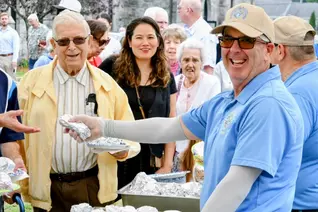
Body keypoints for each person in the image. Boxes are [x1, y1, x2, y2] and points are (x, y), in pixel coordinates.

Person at [67, 3, 305, 212]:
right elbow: (169, 128)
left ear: (270, 50)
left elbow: (236, 186)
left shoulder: (268, 104)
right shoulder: (228, 100)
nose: (234, 49)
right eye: (227, 39)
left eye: (246, 40)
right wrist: (103, 126)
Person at [17, 10, 140, 212]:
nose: (72, 47)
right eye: (63, 41)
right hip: (47, 188)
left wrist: (121, 150)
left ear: (89, 41)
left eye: (79, 40)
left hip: (92, 186)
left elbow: (130, 133)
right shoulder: (30, 83)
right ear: (53, 45)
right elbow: (15, 135)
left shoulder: (107, 85)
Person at [98, 16, 177, 189]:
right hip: (118, 157)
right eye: (139, 37)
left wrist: (167, 165)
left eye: (150, 37)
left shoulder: (165, 75)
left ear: (158, 40)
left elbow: (172, 121)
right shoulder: (112, 67)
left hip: (151, 160)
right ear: (129, 40)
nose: (145, 43)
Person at [272, 16, 318, 212]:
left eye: (268, 47)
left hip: (303, 204)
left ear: (280, 50)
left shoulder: (296, 93)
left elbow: (277, 152)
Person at [173, 38, 221, 179]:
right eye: (186, 60)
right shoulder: (175, 83)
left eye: (195, 60)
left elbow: (211, 119)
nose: (190, 65)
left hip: (199, 154)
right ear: (180, 62)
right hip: (177, 151)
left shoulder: (212, 83)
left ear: (202, 62)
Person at [177, 0, 218, 74]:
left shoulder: (205, 33)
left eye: (179, 8)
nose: (178, 11)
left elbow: (208, 67)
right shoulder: (185, 30)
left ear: (188, 10)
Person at [0, 12, 20, 80]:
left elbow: (16, 47)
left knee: (11, 79)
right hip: (0, 58)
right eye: (2, 19)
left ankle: (14, 91)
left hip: (9, 58)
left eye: (5, 19)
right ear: (0, 20)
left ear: (8, 20)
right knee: (1, 80)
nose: (4, 20)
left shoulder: (13, 32)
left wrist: (14, 60)